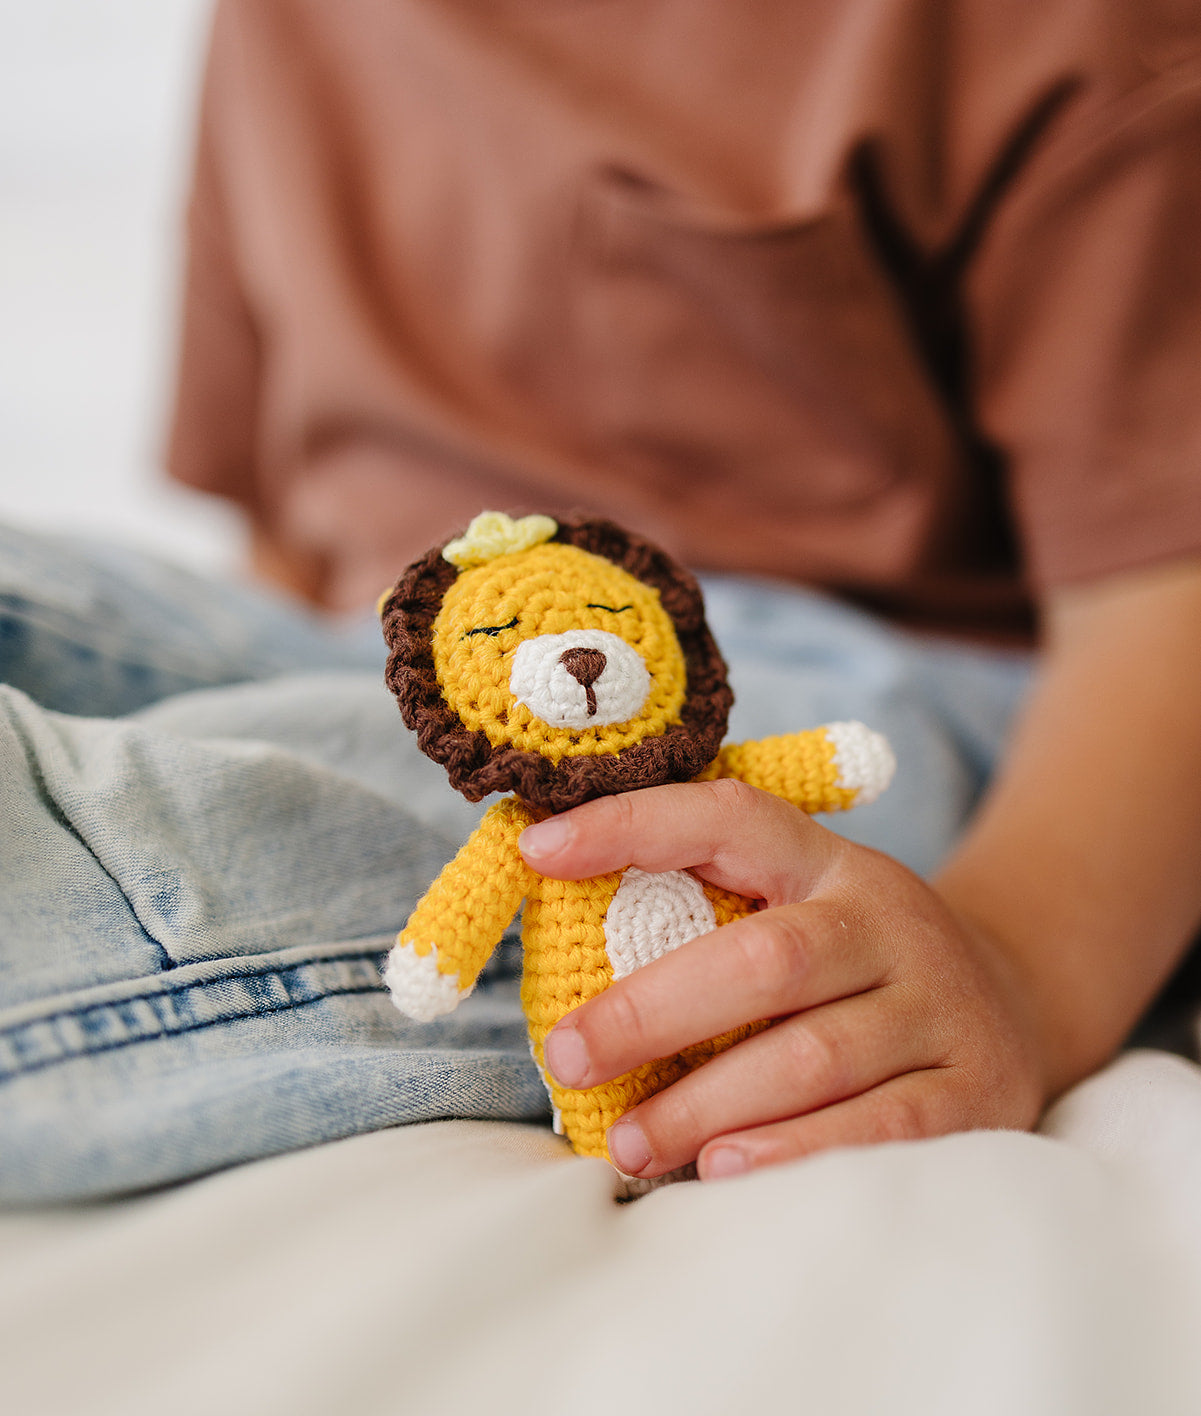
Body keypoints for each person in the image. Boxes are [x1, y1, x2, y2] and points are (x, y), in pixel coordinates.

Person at [4, 0, 1201, 1199]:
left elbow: (1168, 590)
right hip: (373, 651)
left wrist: (1011, 965)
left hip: (824, 695)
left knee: (223, 809)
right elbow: (279, 535)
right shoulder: (284, 25)